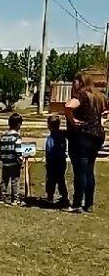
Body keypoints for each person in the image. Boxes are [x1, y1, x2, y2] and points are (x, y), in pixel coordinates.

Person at [64, 73, 107, 213]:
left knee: (80, 171)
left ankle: (77, 204)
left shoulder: (81, 95)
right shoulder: (98, 96)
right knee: (89, 171)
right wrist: (102, 121)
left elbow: (69, 107)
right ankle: (88, 204)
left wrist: (72, 120)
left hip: (82, 136)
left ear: (81, 82)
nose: (73, 85)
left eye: (74, 82)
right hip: (97, 136)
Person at [0, 113, 24, 205]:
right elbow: (18, 150)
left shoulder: (3, 136)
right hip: (14, 162)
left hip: (5, 162)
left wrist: (2, 158)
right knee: (15, 180)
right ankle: (15, 199)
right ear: (18, 125)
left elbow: (0, 149)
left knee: (4, 180)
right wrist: (20, 159)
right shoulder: (16, 137)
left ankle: (2, 198)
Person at [45, 115, 69, 206]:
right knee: (60, 180)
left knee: (51, 180)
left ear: (49, 126)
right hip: (61, 162)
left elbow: (49, 150)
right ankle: (64, 196)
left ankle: (50, 197)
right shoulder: (62, 136)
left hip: (53, 162)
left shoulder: (51, 138)